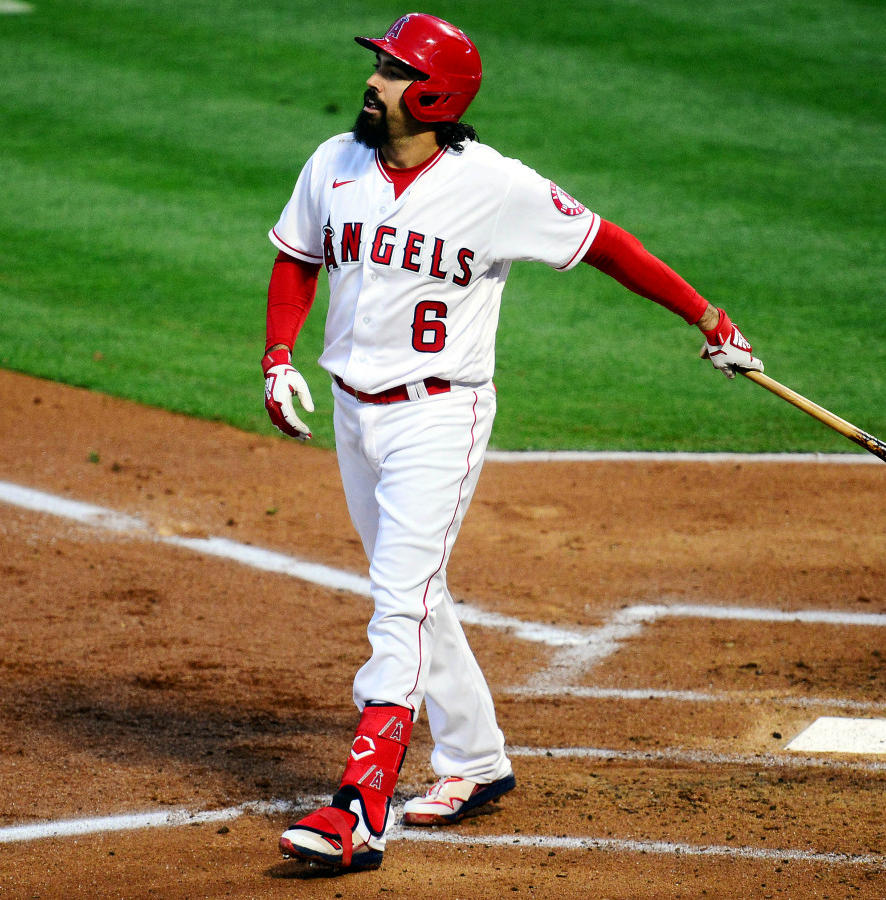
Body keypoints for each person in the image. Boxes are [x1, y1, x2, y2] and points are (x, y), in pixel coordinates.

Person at [262, 12, 763, 871]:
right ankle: (476, 760)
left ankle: (360, 805)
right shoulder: (333, 163)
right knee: (415, 592)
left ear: (433, 94)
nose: (374, 82)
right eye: (379, 66)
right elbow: (297, 256)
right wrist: (277, 355)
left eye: (390, 70)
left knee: (398, 601)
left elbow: (608, 245)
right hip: (353, 412)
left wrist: (707, 317)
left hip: (439, 416)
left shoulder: (496, 187)